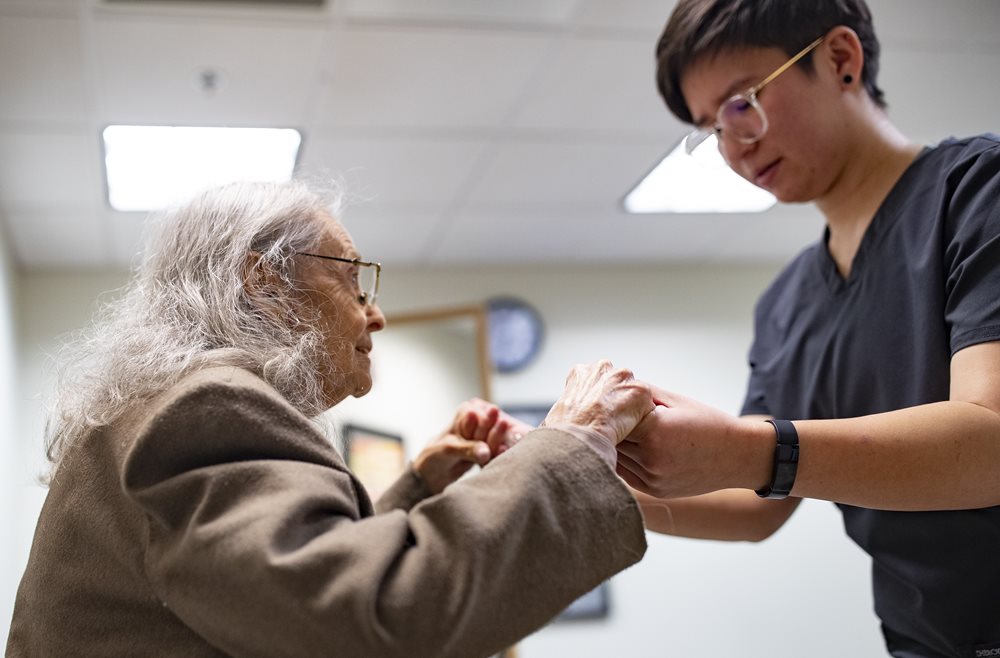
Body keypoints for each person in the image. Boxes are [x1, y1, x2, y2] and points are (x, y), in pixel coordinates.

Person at [6, 180, 653, 658]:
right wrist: (572, 441)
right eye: (354, 280)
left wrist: (420, 488)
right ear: (261, 280)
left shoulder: (155, 406)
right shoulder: (201, 408)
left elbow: (273, 590)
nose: (375, 315)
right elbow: (374, 619)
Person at [618, 1, 1000, 656]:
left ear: (841, 60)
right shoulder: (786, 305)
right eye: (711, 128)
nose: (734, 146)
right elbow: (754, 506)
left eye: (742, 104)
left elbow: (991, 440)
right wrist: (580, 481)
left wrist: (744, 447)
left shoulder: (976, 193)